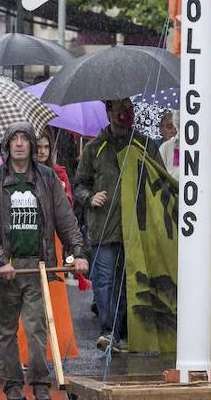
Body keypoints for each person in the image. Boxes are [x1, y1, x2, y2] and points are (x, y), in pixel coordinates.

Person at [0, 123, 88, 400]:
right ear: (7, 145)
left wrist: (78, 252)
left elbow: (65, 219)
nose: (18, 144)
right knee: (6, 332)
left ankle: (40, 385)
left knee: (37, 328)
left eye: (23, 140)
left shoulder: (47, 178)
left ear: (30, 144)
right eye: (13, 140)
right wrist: (0, 260)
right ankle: (13, 387)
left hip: (36, 267)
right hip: (5, 270)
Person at [74, 97, 146, 353]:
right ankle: (109, 332)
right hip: (104, 229)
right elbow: (79, 185)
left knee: (131, 282)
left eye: (129, 109)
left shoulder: (144, 144)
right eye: (120, 109)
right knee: (104, 282)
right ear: (108, 112)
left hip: (137, 231)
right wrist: (89, 197)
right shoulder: (95, 148)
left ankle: (127, 332)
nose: (125, 114)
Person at [35, 133, 72, 203]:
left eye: (46, 147)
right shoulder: (26, 172)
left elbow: (68, 206)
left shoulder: (59, 174)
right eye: (38, 147)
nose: (42, 151)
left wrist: (61, 193)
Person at [156, 110, 181, 180]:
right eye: (169, 127)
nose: (174, 131)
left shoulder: (181, 145)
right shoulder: (153, 146)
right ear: (160, 129)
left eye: (177, 127)